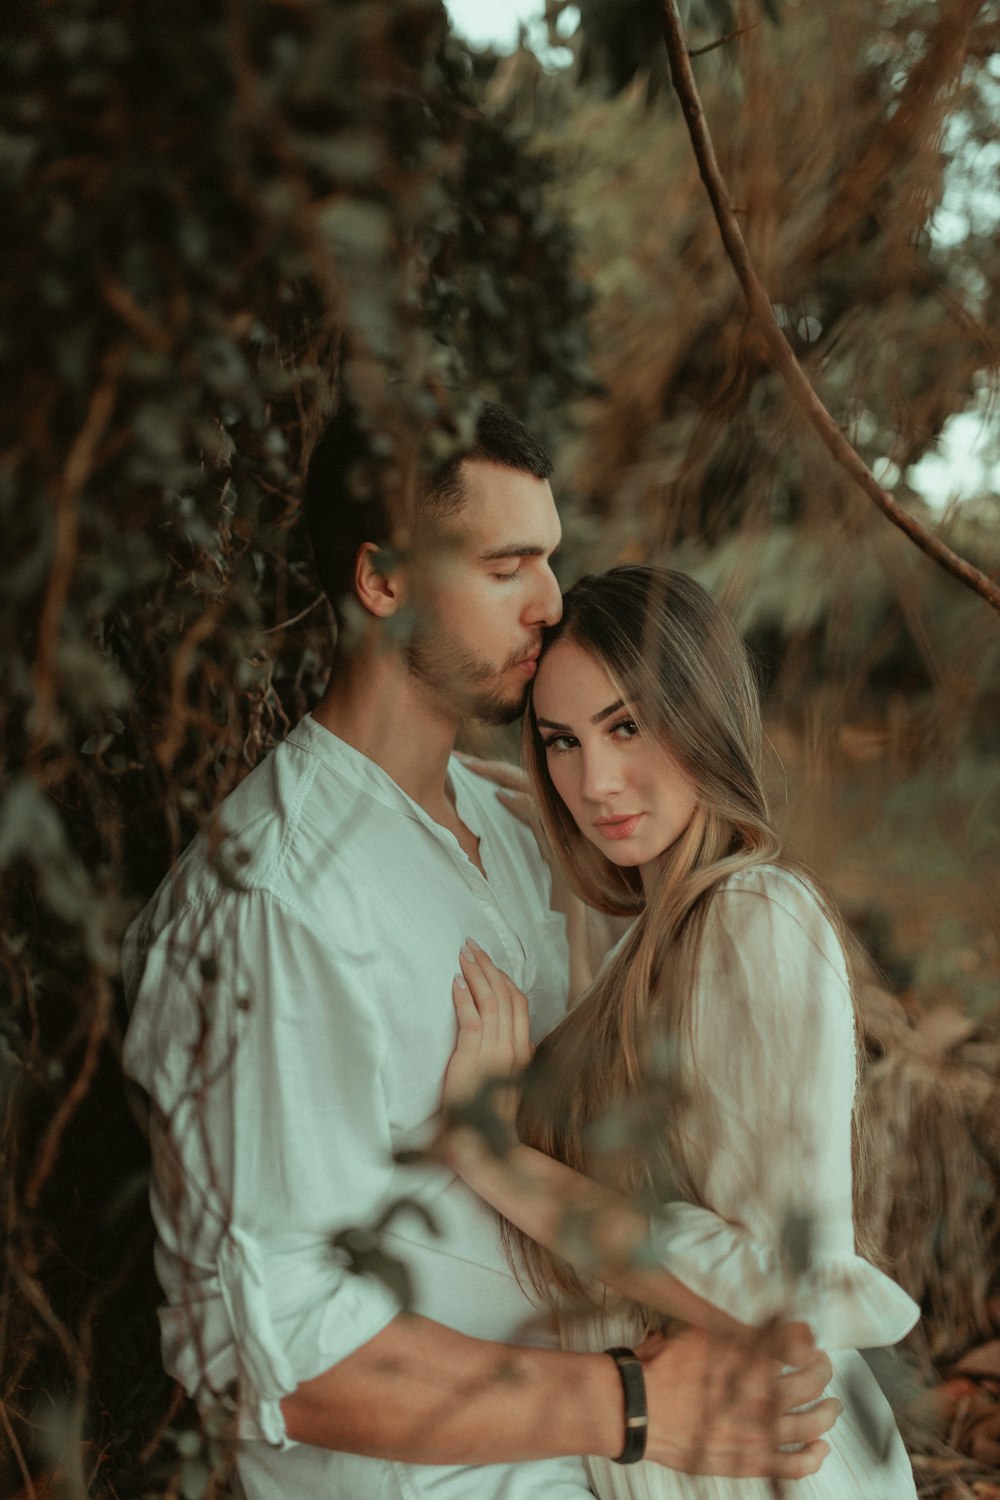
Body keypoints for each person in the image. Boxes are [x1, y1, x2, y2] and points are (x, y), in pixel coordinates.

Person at [122, 405, 841, 1500]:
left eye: (549, 559)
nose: (551, 603)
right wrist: (635, 1405)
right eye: (508, 565)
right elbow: (285, 1351)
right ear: (382, 581)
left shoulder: (510, 828)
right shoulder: (278, 905)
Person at [441, 565, 921, 1499]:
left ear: (703, 717)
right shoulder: (658, 942)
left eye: (627, 726)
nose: (597, 782)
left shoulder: (756, 918)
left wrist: (496, 1157)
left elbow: (778, 1286)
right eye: (561, 743)